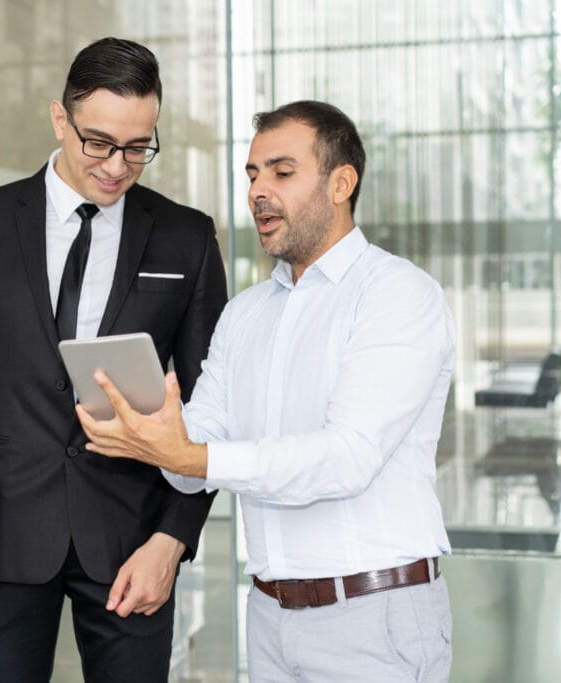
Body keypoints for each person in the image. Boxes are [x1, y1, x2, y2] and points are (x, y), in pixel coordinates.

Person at [78, 100, 455, 682]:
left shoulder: (397, 294)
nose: (258, 191)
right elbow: (193, 459)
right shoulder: (245, 313)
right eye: (252, 174)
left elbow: (347, 458)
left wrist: (191, 456)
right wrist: (152, 431)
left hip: (374, 617)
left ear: (341, 184)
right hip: (269, 617)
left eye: (282, 172)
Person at [0, 37, 227, 682]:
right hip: (1, 536)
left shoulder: (186, 237)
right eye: (98, 143)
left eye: (138, 147)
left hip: (134, 543)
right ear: (59, 118)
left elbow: (211, 407)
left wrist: (172, 540)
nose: (117, 166)